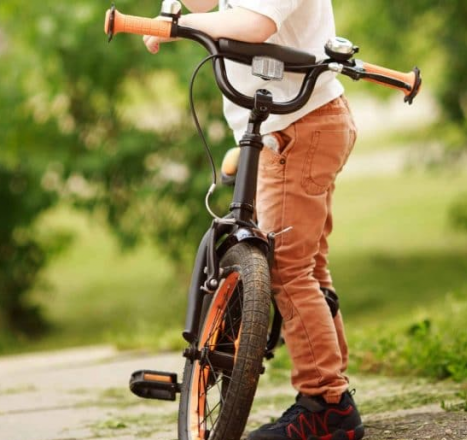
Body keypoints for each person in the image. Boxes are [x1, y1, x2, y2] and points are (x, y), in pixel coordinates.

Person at [144, 1, 362, 439]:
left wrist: (178, 24)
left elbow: (255, 23)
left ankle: (327, 404)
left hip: (299, 128)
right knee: (308, 267)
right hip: (286, 126)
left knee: (287, 269)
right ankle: (334, 390)